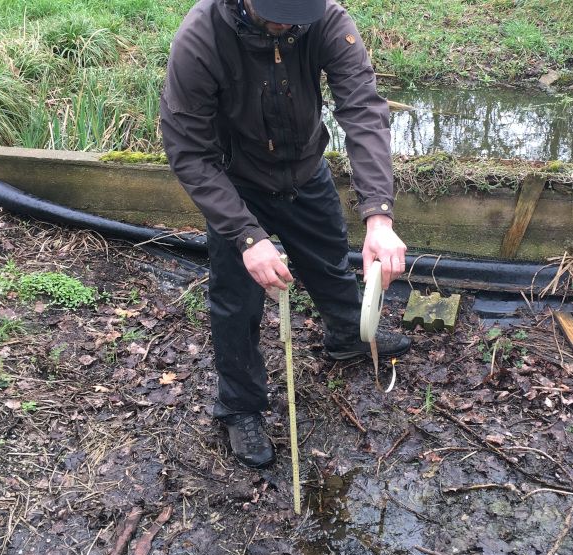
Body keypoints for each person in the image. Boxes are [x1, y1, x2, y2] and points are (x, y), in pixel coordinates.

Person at [160, 0, 411, 468]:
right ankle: (240, 406)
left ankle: (346, 333)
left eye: (299, 14)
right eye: (278, 12)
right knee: (236, 300)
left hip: (305, 170)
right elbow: (188, 151)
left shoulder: (326, 19)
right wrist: (246, 235)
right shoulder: (201, 37)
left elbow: (361, 109)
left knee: (329, 256)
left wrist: (378, 215)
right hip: (236, 182)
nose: (289, 24)